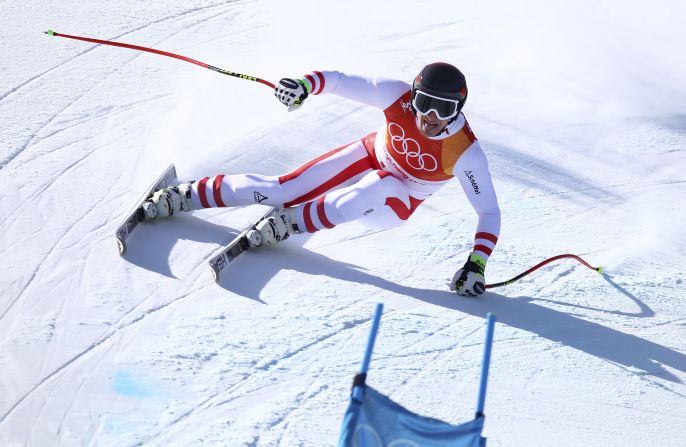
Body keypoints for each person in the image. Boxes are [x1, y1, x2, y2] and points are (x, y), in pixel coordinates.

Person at [143, 63, 501, 296]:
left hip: (398, 199)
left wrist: (477, 263)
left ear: (458, 110)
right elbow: (340, 81)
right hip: (370, 155)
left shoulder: (464, 153)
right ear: (412, 95)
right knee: (280, 189)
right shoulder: (395, 96)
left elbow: (489, 213)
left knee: (378, 185)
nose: (432, 117)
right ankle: (186, 196)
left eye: (445, 109)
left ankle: (291, 223)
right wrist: (303, 86)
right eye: (424, 103)